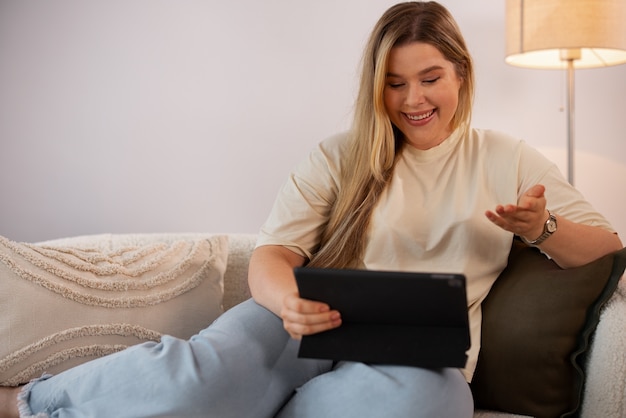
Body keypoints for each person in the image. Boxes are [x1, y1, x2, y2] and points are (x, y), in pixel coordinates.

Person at [1, 2, 622, 417]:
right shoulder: (340, 155)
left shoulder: (507, 157)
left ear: (461, 74)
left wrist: (540, 227)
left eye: (430, 78)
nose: (413, 100)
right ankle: (30, 402)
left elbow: (604, 245)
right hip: (303, 324)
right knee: (206, 374)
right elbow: (272, 255)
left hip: (413, 357)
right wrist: (285, 303)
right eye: (394, 82)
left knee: (434, 405)